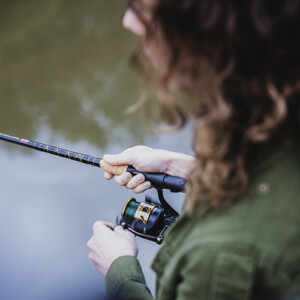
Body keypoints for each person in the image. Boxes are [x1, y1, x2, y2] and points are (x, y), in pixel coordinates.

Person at [87, 0, 300, 299]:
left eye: (139, 7)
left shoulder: (216, 259)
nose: (129, 21)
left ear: (208, 30)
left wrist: (119, 272)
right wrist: (186, 169)